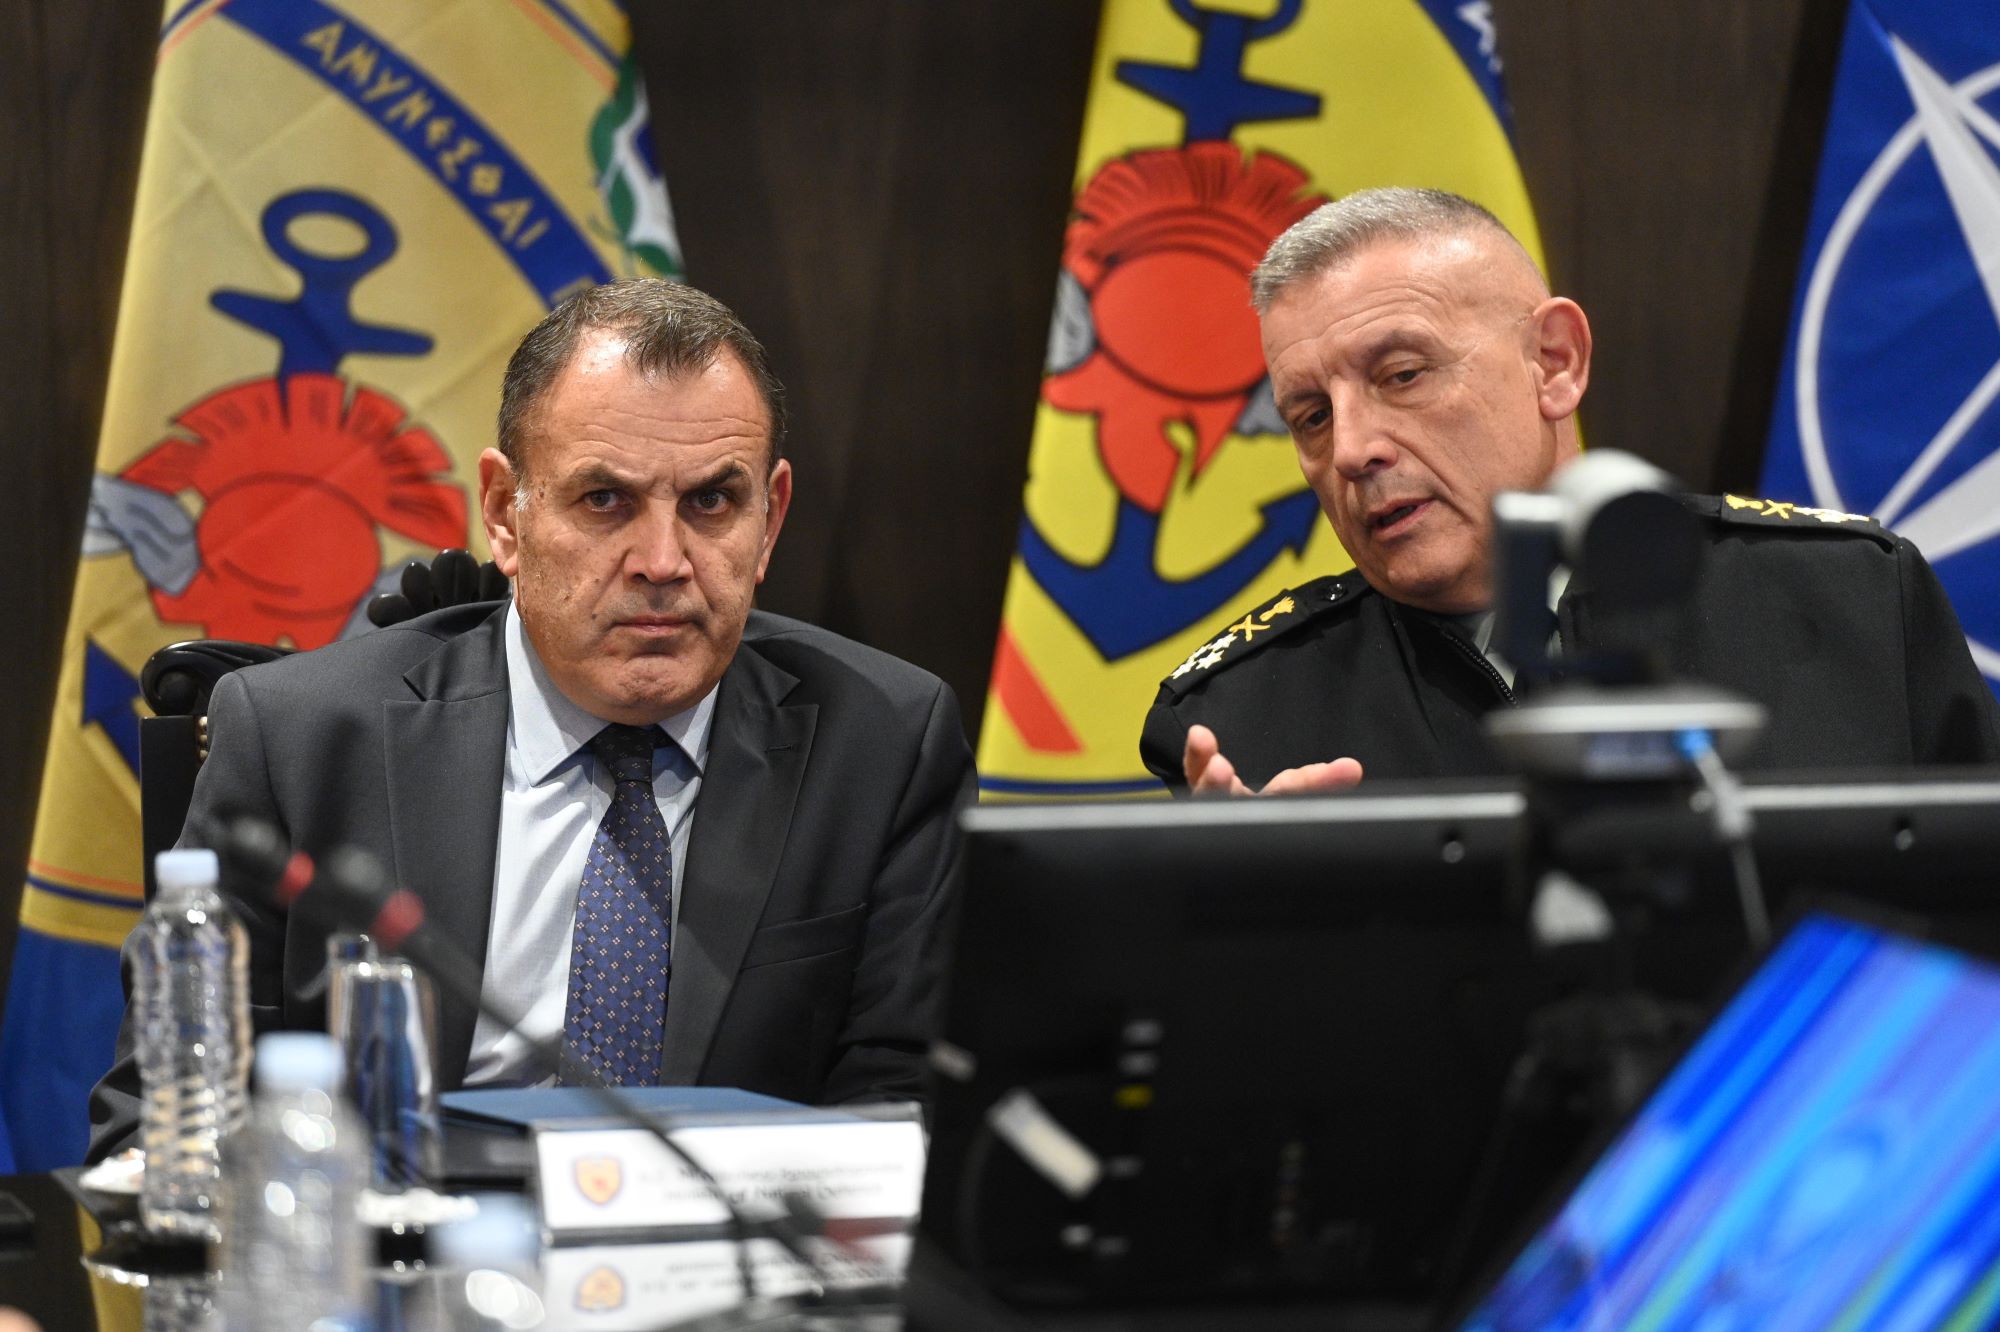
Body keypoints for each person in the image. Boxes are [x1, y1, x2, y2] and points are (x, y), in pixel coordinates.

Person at [89, 280, 973, 1157]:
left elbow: (903, 1112)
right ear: (504, 512)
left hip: (732, 1237)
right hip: (397, 1229)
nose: (663, 561)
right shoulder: (301, 738)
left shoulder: (884, 743)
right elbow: (169, 1121)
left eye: (711, 502)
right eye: (605, 500)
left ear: (770, 518)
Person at [1141, 187, 2000, 793]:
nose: (1354, 449)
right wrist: (1254, 932)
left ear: (1554, 362)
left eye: (1402, 375)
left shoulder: (1852, 600)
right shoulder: (1236, 719)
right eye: (1311, 417)